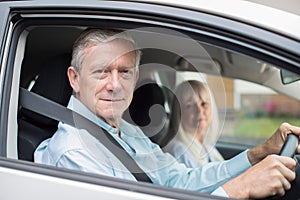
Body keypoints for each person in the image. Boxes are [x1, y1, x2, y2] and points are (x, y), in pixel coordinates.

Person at [34, 28, 300, 199]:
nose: (114, 84)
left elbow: (179, 180)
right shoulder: (73, 153)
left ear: (135, 78)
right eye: (101, 71)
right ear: (75, 79)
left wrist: (257, 154)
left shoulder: (125, 131)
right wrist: (241, 189)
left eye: (124, 72)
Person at [164, 80, 224, 167]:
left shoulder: (206, 146)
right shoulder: (178, 151)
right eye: (190, 105)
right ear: (179, 112)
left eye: (204, 103)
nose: (199, 110)